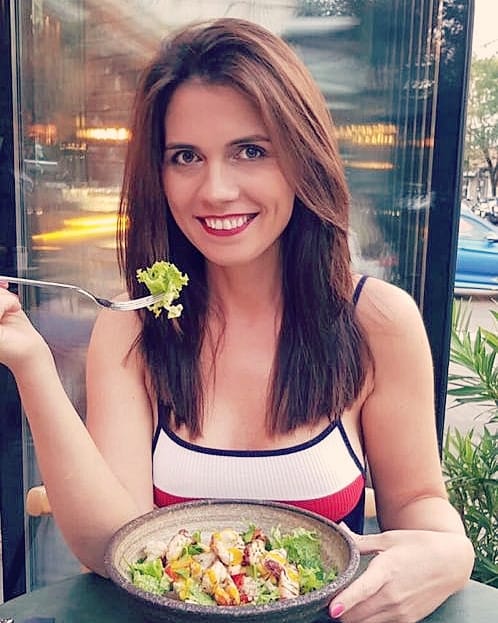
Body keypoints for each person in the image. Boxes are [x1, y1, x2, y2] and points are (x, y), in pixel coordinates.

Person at [0, 17, 473, 623]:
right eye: (186, 157)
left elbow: (420, 503)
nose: (216, 190)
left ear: (301, 157)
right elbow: (109, 548)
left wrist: (449, 552)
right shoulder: (134, 326)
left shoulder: (376, 321)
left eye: (250, 151)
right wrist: (30, 364)